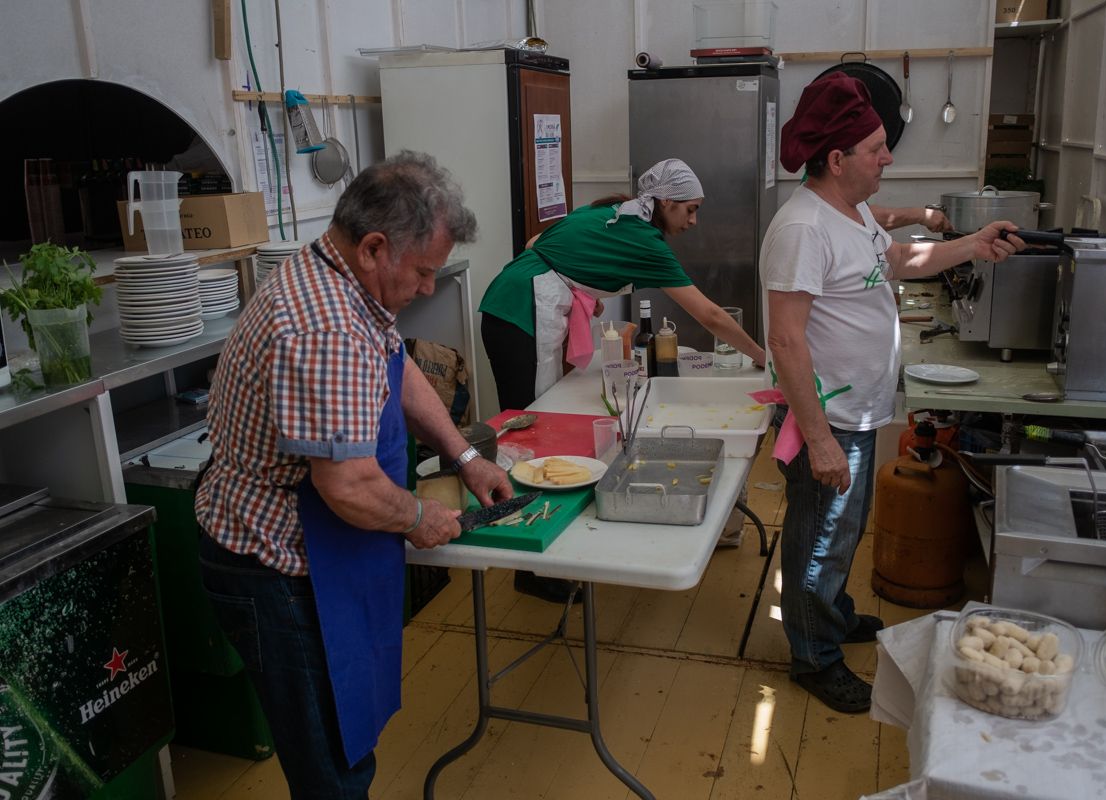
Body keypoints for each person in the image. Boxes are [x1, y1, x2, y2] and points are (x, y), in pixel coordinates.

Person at [195, 151, 512, 797]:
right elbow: (348, 487)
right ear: (374, 247)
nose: (429, 288)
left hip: (315, 552)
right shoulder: (326, 324)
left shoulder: (343, 282)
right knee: (332, 770)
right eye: (423, 272)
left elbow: (398, 372)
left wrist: (467, 457)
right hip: (274, 566)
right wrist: (421, 516)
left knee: (346, 745)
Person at [760, 74, 1025, 714]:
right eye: (877, 148)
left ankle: (832, 613)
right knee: (817, 539)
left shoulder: (848, 215)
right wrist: (819, 438)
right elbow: (787, 341)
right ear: (837, 159)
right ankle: (813, 655)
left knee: (843, 532)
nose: (888, 158)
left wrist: (969, 245)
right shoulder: (801, 229)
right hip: (830, 418)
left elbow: (899, 261)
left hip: (858, 411)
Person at [479, 158, 766, 601]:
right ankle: (531, 567)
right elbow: (707, 313)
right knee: (536, 427)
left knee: (538, 421)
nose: (693, 221)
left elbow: (538, 242)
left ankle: (537, 552)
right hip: (521, 311)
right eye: (689, 209)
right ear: (665, 202)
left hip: (511, 302)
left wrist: (580, 285)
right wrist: (763, 356)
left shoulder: (605, 212)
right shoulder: (644, 240)